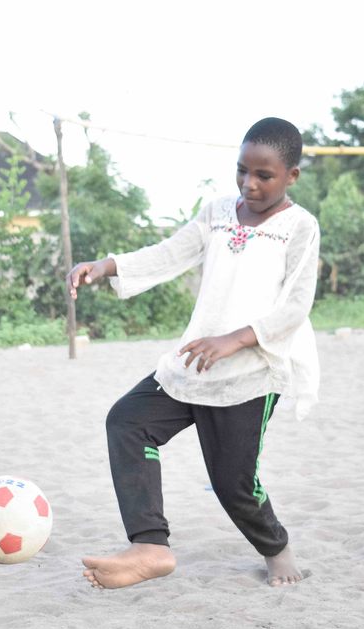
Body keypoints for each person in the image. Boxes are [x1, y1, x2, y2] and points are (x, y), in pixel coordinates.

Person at [67, 117, 320, 590]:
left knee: (233, 485)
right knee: (127, 422)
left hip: (251, 372)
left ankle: (276, 548)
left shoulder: (300, 227)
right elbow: (170, 253)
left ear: (292, 176)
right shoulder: (218, 212)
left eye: (264, 175)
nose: (249, 183)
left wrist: (234, 340)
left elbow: (295, 307)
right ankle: (150, 545)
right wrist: (107, 265)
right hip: (195, 364)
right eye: (242, 169)